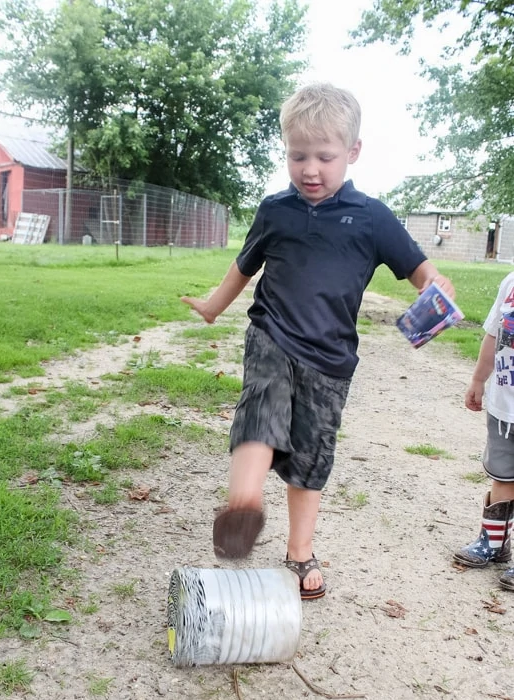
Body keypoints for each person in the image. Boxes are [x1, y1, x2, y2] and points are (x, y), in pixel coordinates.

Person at [182, 82, 455, 600]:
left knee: (310, 460)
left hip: (330, 361)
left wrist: (435, 285)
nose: (310, 169)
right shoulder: (275, 209)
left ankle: (299, 552)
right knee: (261, 408)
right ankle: (243, 504)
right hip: (272, 333)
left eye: (324, 157)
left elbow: (419, 270)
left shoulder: (372, 216)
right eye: (297, 156)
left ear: (352, 152)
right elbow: (244, 266)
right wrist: (214, 306)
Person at [453, 273, 514, 591]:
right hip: (505, 406)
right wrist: (478, 379)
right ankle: (494, 542)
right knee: (502, 475)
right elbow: (493, 336)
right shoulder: (510, 283)